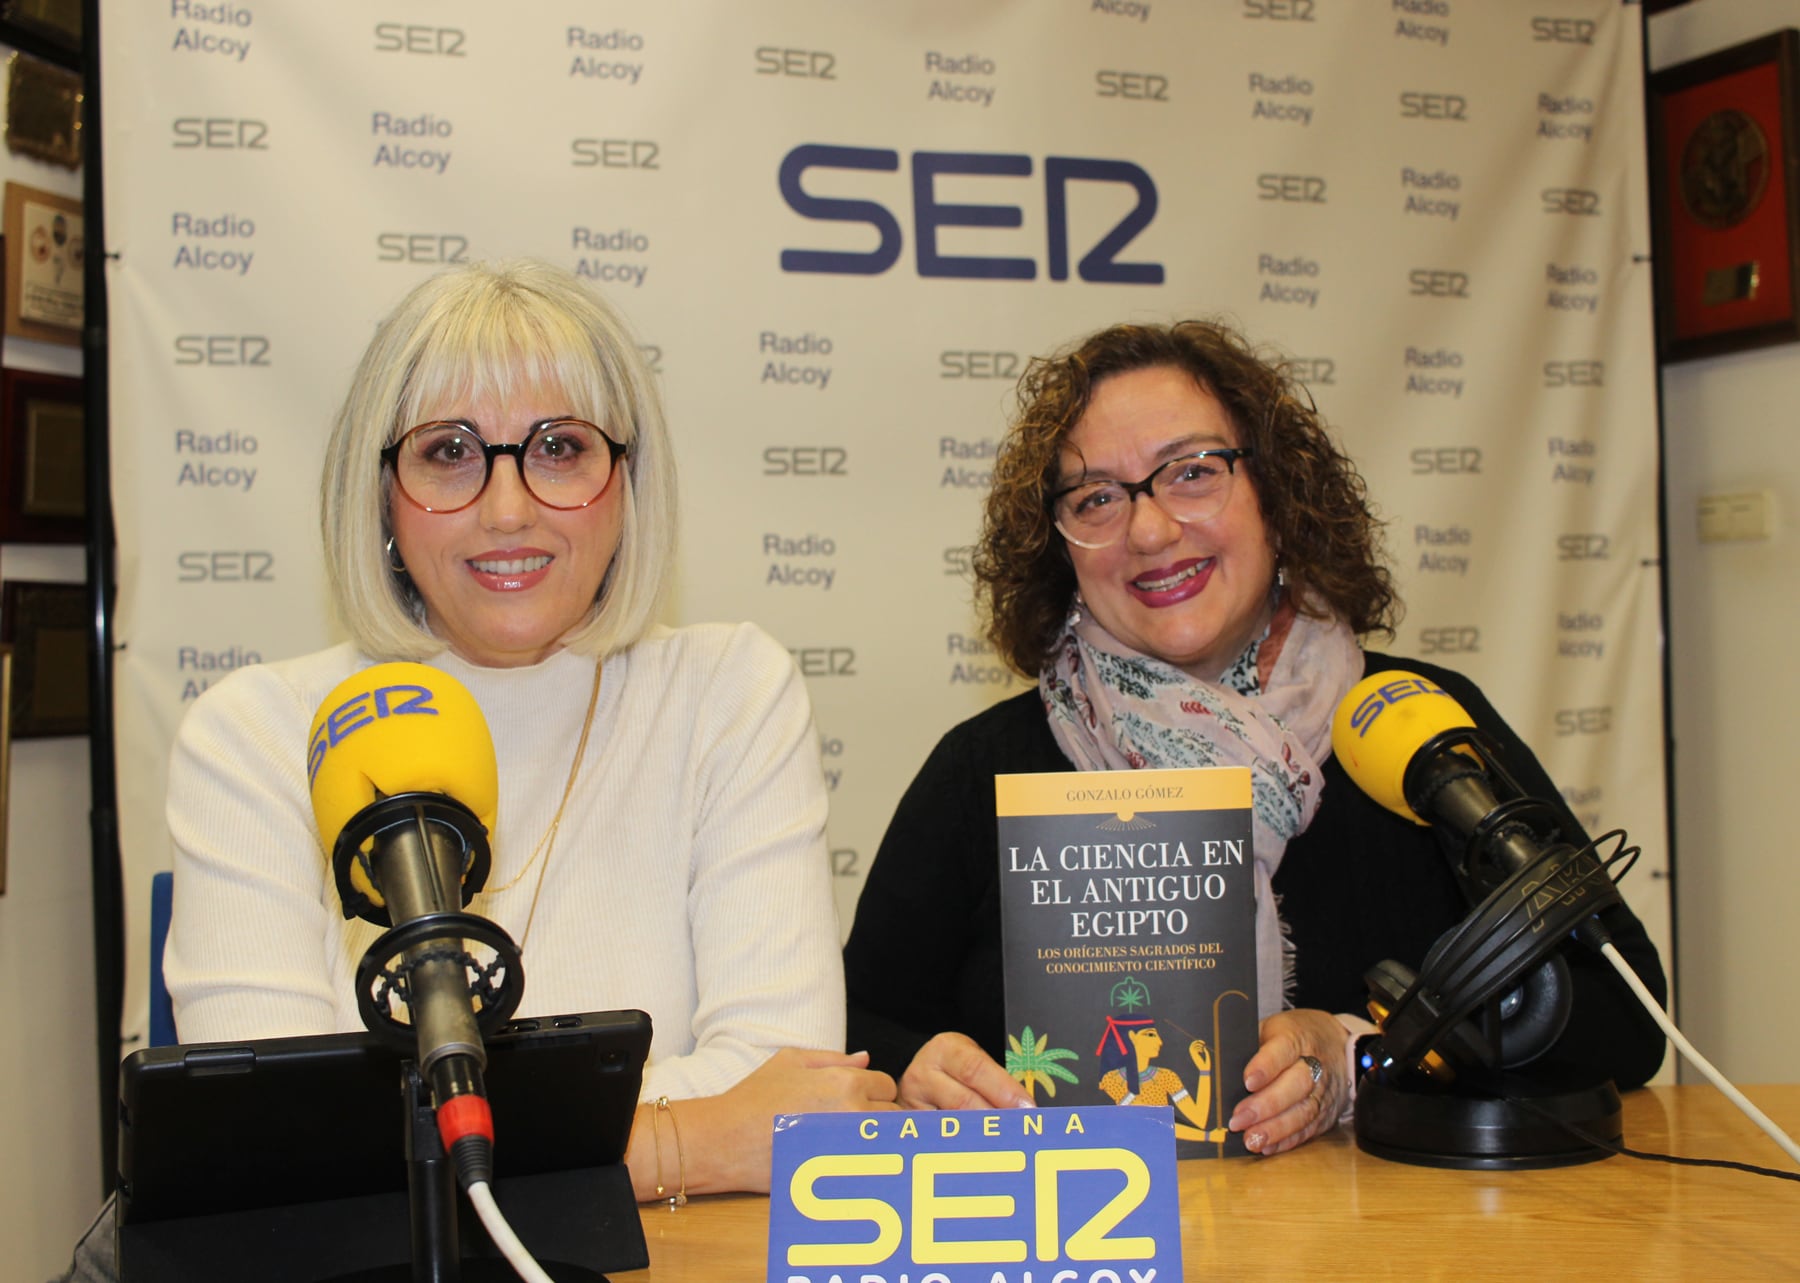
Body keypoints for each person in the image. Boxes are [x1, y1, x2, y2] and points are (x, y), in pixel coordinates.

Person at [155, 259, 896, 1198]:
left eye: (558, 448)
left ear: (626, 484)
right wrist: (679, 1143)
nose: (507, 510)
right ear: (381, 493)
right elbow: (281, 1147)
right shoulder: (254, 735)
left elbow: (788, 1086)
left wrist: (425, 1140)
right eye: (450, 452)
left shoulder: (728, 691)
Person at [842, 319, 1667, 1156]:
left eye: (1193, 473)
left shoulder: (1417, 727)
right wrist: (916, 1066)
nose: (1151, 529)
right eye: (1096, 497)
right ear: (1059, 547)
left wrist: (1362, 1054)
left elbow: (1623, 1018)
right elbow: (848, 1021)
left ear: (1276, 492)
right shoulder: (982, 768)